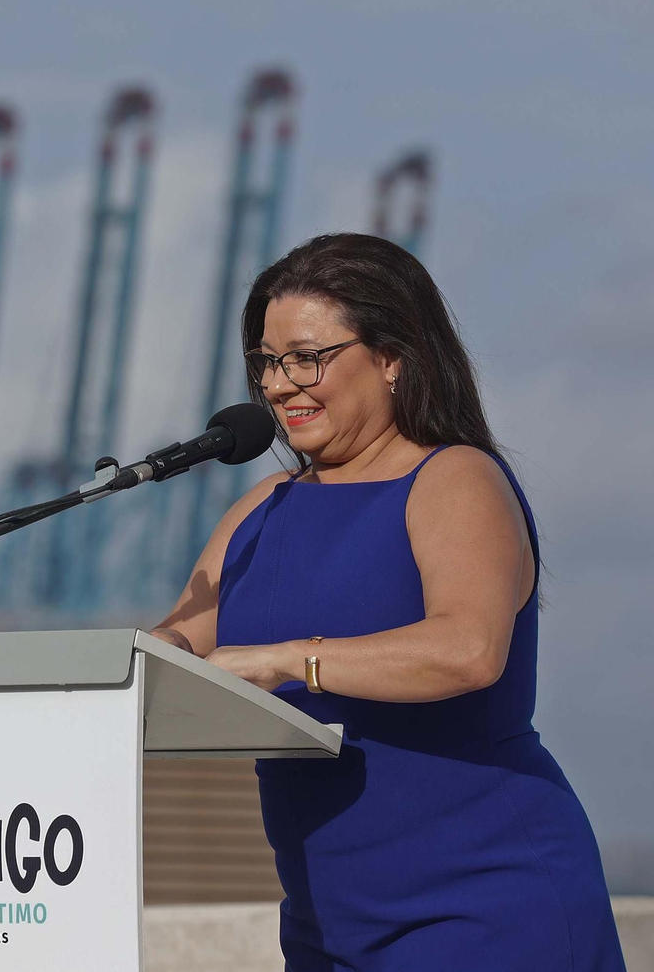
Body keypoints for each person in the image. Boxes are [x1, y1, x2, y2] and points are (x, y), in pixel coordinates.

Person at [152, 233, 624, 970]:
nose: (278, 385)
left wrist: (288, 660)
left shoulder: (454, 478)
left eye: (307, 357)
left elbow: (468, 649)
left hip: (483, 905)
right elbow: (174, 641)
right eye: (267, 362)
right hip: (325, 920)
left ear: (393, 357)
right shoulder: (262, 507)